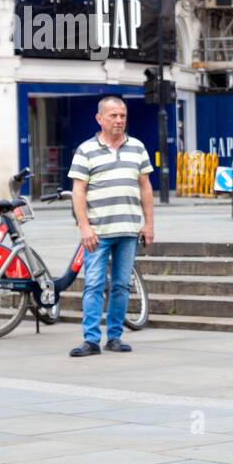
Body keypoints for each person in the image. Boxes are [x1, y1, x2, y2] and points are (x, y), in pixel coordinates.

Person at [67, 96, 154, 357]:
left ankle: (114, 337)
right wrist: (84, 227)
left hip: (128, 229)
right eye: (113, 116)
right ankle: (91, 339)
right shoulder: (86, 150)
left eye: (122, 116)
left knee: (121, 285)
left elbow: (145, 187)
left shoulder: (137, 148)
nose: (119, 120)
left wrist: (148, 224)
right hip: (98, 232)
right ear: (100, 119)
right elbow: (78, 191)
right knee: (93, 284)